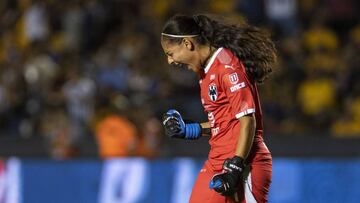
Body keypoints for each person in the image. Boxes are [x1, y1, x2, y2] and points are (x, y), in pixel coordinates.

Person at [161, 14, 276, 203]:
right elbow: (223, 122)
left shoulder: (227, 67)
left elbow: (248, 121)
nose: (170, 61)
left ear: (188, 44)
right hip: (217, 160)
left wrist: (236, 165)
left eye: (170, 53)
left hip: (245, 163)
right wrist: (190, 129)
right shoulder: (206, 71)